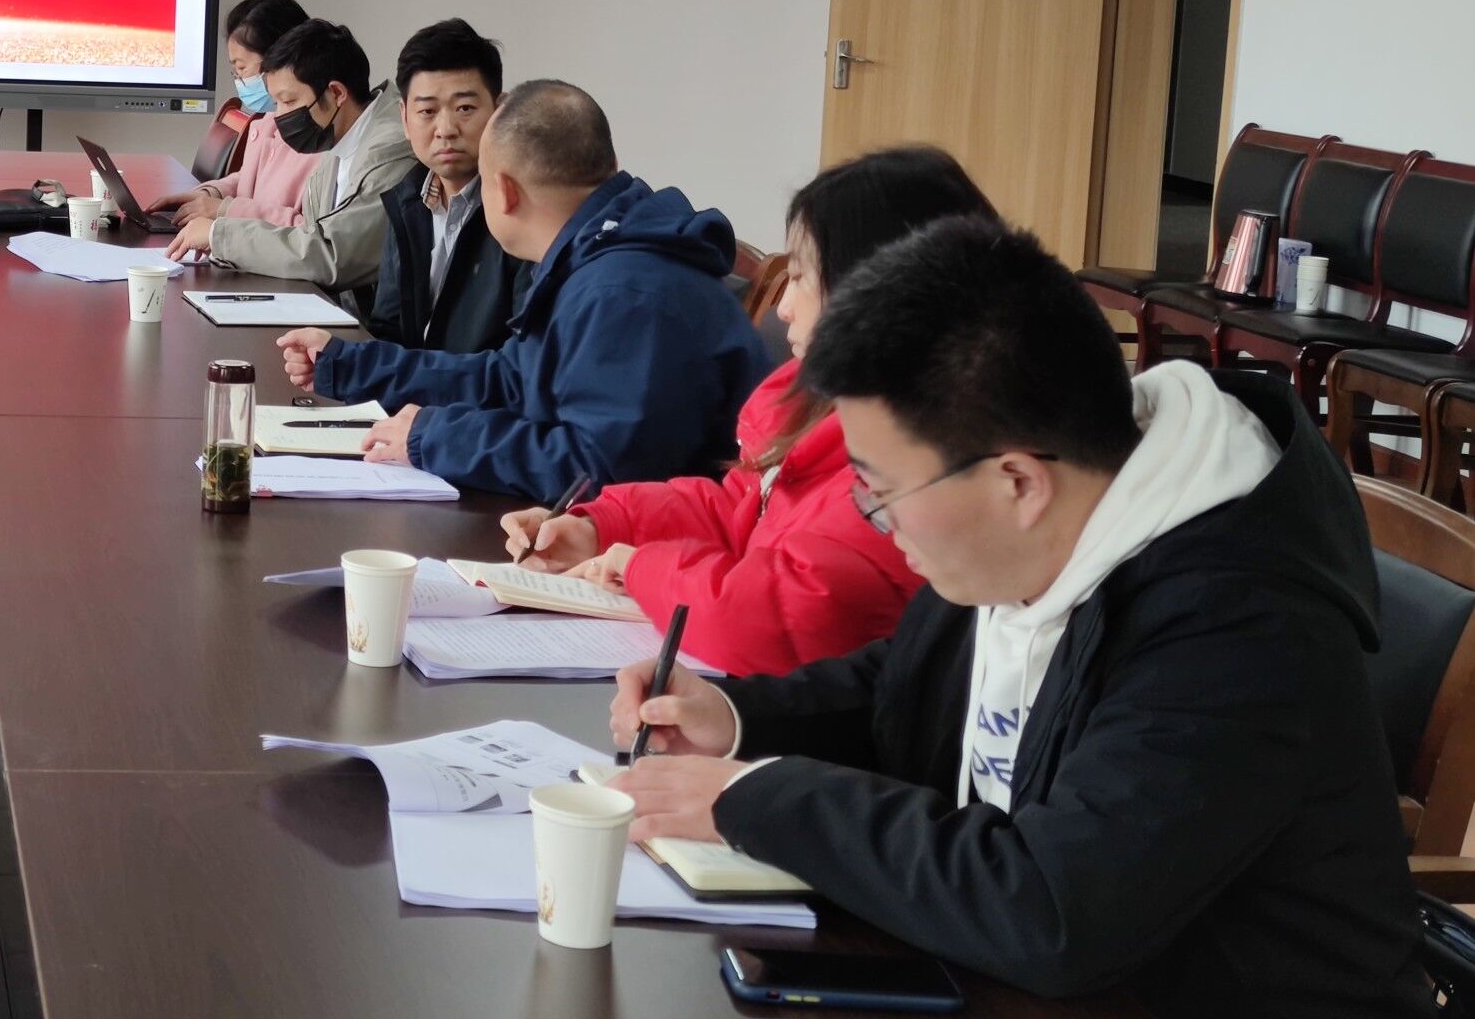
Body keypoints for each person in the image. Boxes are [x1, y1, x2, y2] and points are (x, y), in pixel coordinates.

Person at [609, 218, 1432, 1018]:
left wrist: (762, 800)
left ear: (1018, 483)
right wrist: (737, 717)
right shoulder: (1046, 520)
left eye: (882, 491)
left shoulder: (1240, 627)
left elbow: (1055, 909)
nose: (873, 520)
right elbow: (906, 685)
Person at [495, 146, 995, 675]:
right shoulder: (820, 406)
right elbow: (738, 511)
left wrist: (642, 568)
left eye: (800, 277)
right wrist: (603, 524)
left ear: (872, 289)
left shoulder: (907, 462)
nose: (784, 308)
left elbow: (773, 620)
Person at [276, 81, 766, 501]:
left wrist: (435, 436)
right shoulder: (592, 255)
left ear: (505, 192)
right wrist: (353, 365)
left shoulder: (624, 291)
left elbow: (601, 471)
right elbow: (510, 379)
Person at [169, 19, 415, 303]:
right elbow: (309, 235)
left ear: (336, 93)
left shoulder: (389, 149)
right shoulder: (339, 135)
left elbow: (333, 256)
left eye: (289, 101)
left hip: (364, 324)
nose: (279, 116)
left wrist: (219, 236)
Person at [362, 19, 525, 355]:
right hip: (417, 386)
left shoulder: (522, 209)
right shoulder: (406, 200)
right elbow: (387, 331)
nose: (446, 129)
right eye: (427, 111)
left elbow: (519, 360)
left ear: (500, 111)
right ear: (404, 118)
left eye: (465, 108)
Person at [155, 0, 322, 228]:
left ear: (279, 58)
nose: (239, 79)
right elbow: (250, 182)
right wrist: (210, 194)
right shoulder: (269, 120)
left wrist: (225, 209)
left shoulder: (319, 138)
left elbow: (308, 233)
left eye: (241, 68)